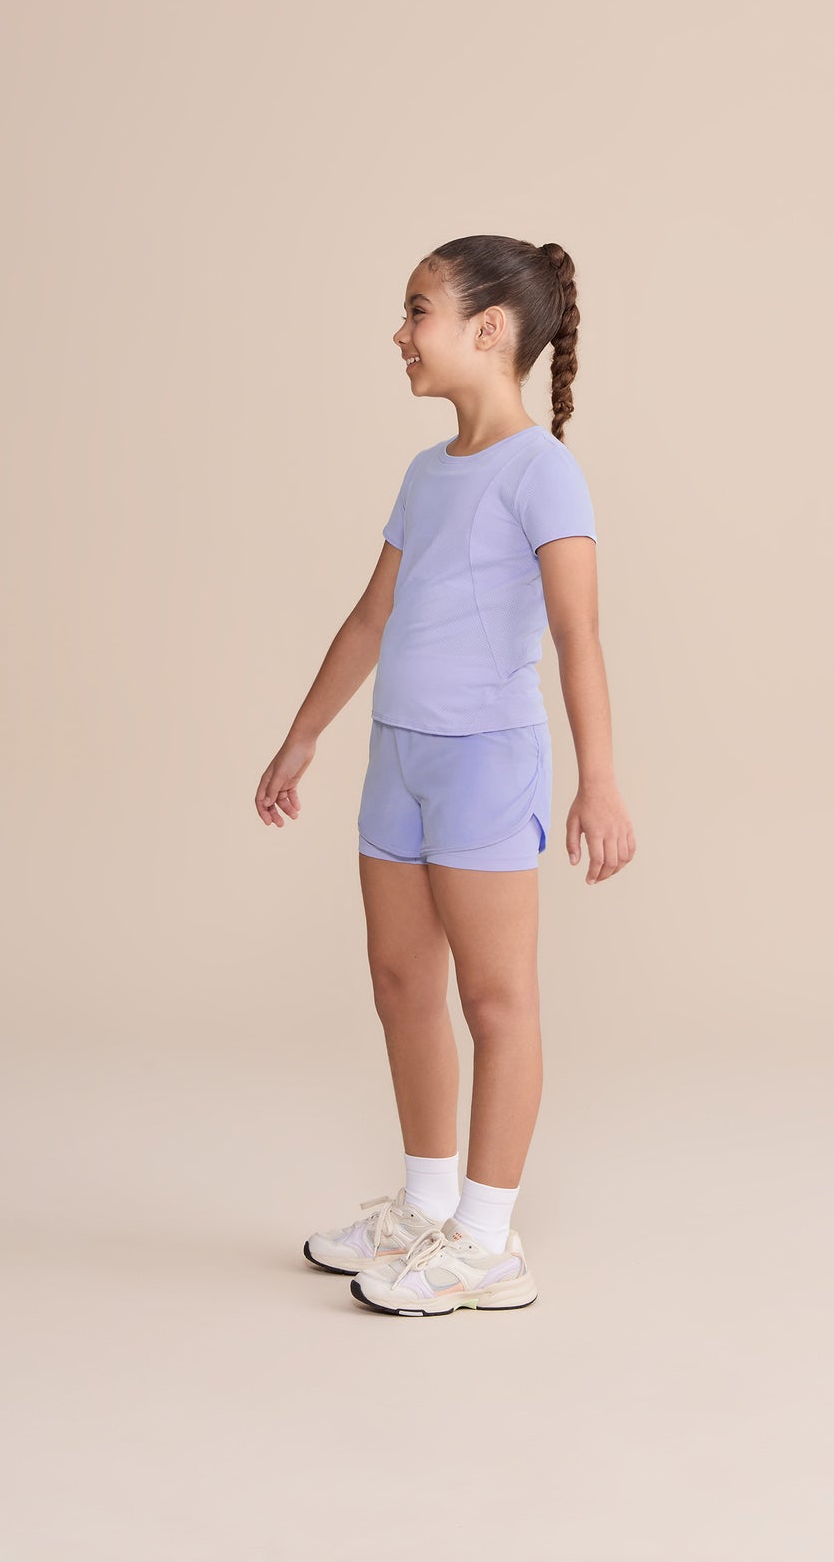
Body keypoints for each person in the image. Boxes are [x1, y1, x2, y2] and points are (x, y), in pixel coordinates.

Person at [255, 234, 636, 1315]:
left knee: (495, 997)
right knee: (401, 985)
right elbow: (371, 617)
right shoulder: (427, 475)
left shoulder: (543, 471)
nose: (400, 333)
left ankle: (486, 1240)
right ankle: (426, 1207)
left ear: (490, 329)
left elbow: (578, 633)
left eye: (417, 311)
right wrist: (303, 735)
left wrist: (599, 780)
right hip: (399, 755)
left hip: (484, 763)